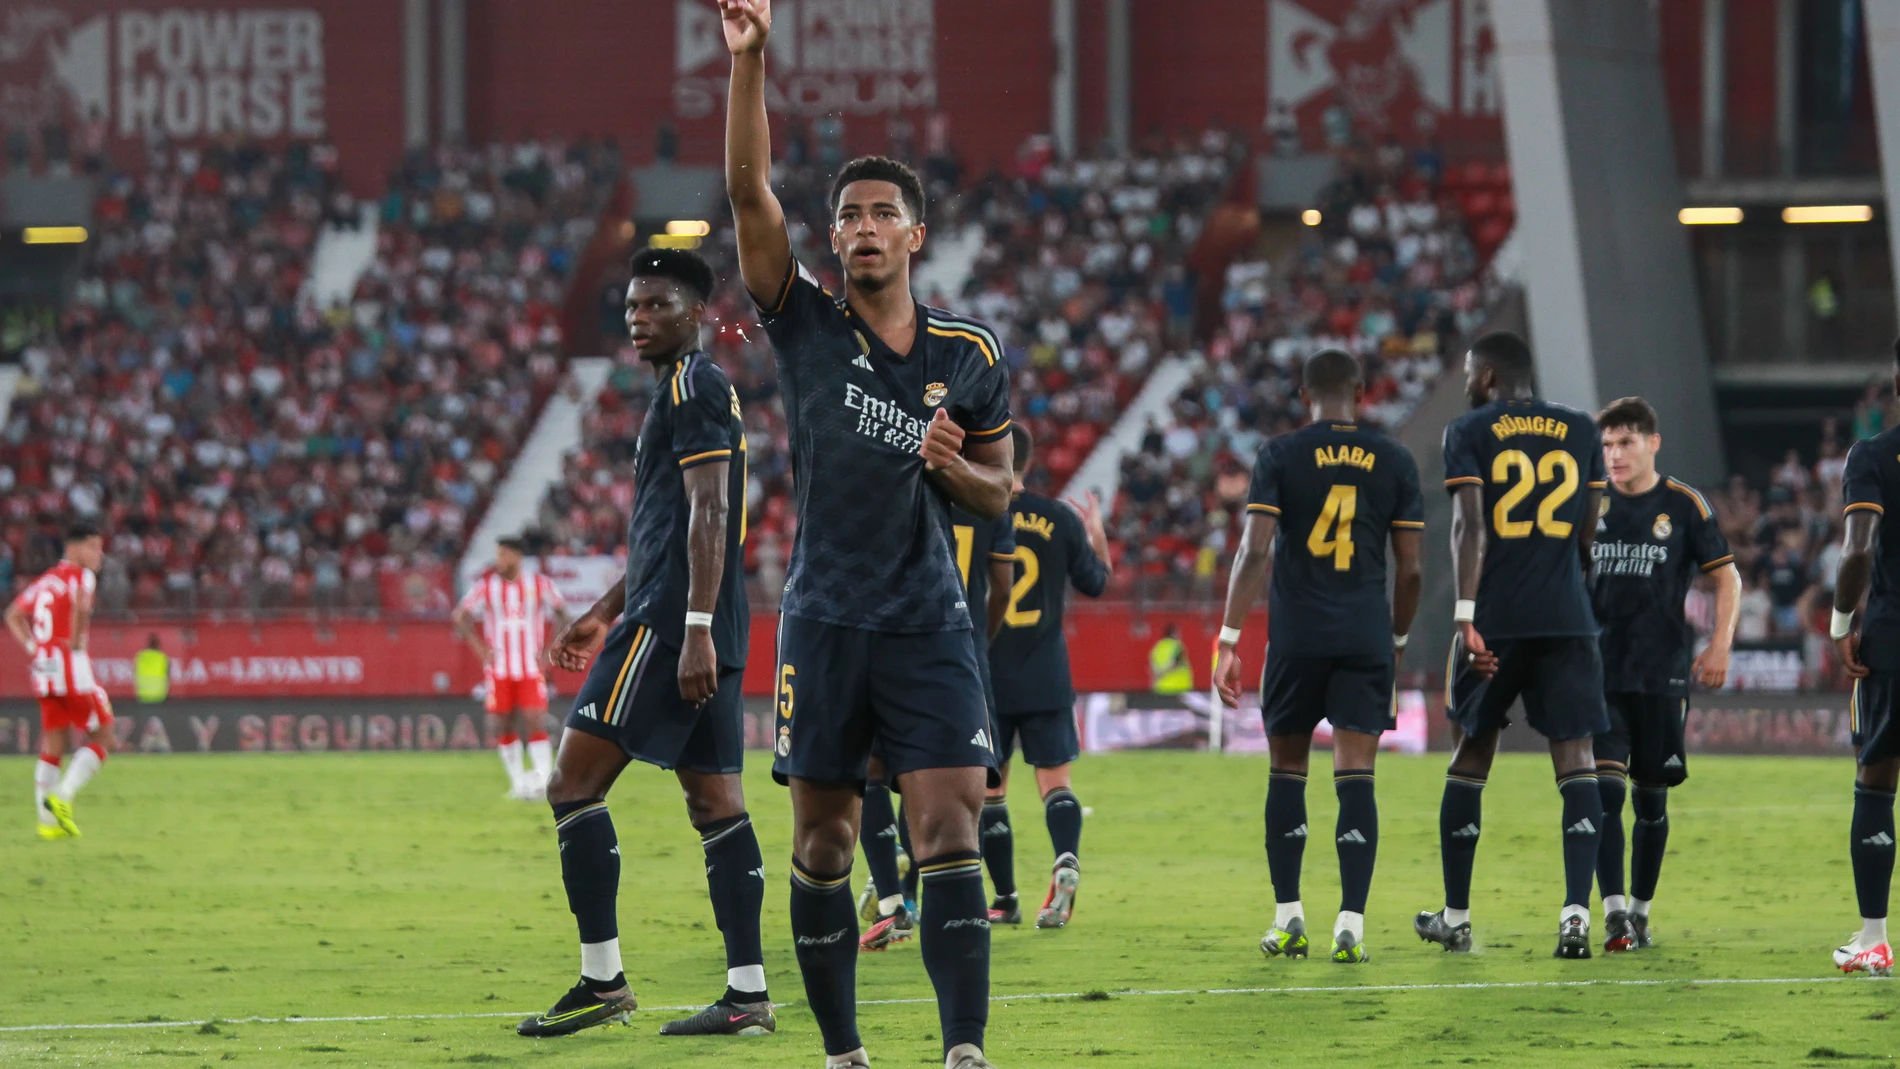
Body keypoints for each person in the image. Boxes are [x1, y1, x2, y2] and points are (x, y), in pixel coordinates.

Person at [723, 3, 1017, 1065]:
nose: (859, 226)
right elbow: (748, 193)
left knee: (948, 833)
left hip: (927, 620)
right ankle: (843, 1053)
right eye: (846, 214)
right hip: (826, 616)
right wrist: (752, 62)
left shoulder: (969, 352)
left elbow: (1003, 493)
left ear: (914, 234)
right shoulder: (805, 325)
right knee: (824, 841)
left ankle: (963, 1051)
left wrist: (956, 467)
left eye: (881, 211)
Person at [518, 248, 772, 1037]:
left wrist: (689, 628)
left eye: (657, 304)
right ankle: (747, 992)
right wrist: (598, 610)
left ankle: (602, 979)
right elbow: (666, 530)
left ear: (695, 312)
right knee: (715, 801)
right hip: (696, 620)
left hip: (671, 627)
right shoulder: (682, 391)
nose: (639, 317)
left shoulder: (694, 385)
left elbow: (709, 511)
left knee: (571, 784)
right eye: (632, 305)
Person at [1214, 348, 1424, 964]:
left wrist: (1227, 640)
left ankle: (1288, 919)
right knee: (1357, 775)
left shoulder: (1279, 455)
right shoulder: (1395, 459)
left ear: (1306, 396)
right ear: (1360, 392)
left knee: (1287, 771)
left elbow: (1254, 553)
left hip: (1297, 638)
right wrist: (1399, 639)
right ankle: (1352, 923)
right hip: (1365, 637)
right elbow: (1411, 570)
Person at [1414, 330, 1610, 960]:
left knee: (1471, 753)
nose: (1468, 383)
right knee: (1576, 758)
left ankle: (1458, 917)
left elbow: (1471, 525)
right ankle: (1577, 916)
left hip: (1494, 618)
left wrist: (1465, 615)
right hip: (1566, 616)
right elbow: (1589, 536)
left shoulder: (1470, 430)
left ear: (1491, 376)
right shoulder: (1582, 430)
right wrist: (1576, 596)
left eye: (1472, 373)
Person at [1589, 397, 1741, 953]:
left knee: (1650, 801)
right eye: (1606, 445)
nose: (1614, 455)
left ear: (1653, 443)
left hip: (1661, 674)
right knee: (1603, 792)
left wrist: (1720, 643)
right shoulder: (1589, 501)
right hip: (1600, 672)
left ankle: (1641, 911)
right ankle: (1611, 915)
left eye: (1625, 442)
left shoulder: (1684, 504)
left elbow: (1727, 579)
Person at [857, 501, 1014, 951]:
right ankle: (954, 911)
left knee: (871, 768)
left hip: (883, 638)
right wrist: (981, 638)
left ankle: (894, 901)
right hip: (955, 645)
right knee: (944, 780)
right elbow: (1001, 586)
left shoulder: (892, 477)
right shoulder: (985, 497)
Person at [987, 424, 1111, 929]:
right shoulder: (1059, 517)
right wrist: (1098, 538)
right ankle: (1065, 860)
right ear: (1029, 463)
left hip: (986, 674)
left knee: (990, 794)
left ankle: (1005, 899)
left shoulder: (975, 512)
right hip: (1047, 675)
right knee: (1056, 786)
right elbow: (1096, 584)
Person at [1825, 338, 1900, 978]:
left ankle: (1874, 938)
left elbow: (1857, 551)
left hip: (1893, 645)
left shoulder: (1874, 456)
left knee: (1876, 780)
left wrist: (1841, 621)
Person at [6, 522, 111, 839]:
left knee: (54, 741)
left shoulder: (47, 580)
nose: (99, 554)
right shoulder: (83, 577)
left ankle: (46, 824)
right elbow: (81, 606)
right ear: (73, 546)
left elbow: (12, 614)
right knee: (104, 735)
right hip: (70, 666)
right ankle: (62, 797)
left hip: (43, 668)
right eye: (93, 546)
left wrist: (30, 646)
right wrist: (77, 638)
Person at [453, 536, 570, 800]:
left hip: (530, 667)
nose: (499, 561)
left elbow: (563, 614)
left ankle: (542, 779)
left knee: (533, 718)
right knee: (502, 724)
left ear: (517, 556)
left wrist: (550, 651)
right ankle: (518, 783)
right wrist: (481, 649)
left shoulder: (539, 585)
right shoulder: (486, 587)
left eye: (504, 555)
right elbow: (460, 616)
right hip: (499, 670)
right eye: (498, 555)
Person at [1149, 624, 1193, 694]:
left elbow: (1152, 669)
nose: (1180, 636)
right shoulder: (1177, 647)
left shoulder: (1157, 648)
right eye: (1179, 633)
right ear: (1174, 634)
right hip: (1177, 688)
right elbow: (1174, 664)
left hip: (1161, 689)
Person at [135, 634, 169, 704]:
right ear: (158, 645)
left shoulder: (140, 656)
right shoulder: (162, 657)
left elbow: (135, 674)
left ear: (148, 644)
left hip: (143, 695)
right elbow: (167, 676)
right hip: (159, 696)